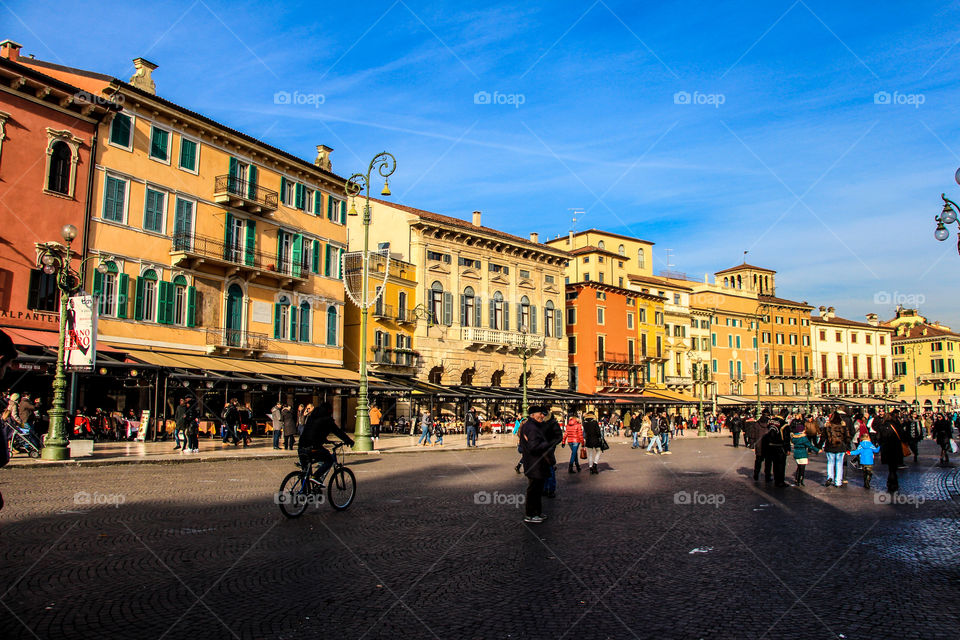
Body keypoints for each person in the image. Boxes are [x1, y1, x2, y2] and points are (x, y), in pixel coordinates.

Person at [298, 402, 354, 485]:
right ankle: (316, 476)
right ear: (329, 411)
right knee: (329, 460)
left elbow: (313, 431)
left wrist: (324, 439)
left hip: (301, 446)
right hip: (313, 447)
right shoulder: (327, 420)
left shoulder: (312, 417)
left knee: (306, 472)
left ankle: (304, 492)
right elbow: (338, 432)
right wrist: (349, 441)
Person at [518, 406, 551, 523]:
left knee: (537, 489)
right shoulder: (531, 427)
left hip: (535, 462)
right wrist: (547, 444)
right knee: (534, 489)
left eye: (543, 414)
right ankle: (530, 514)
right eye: (540, 414)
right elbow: (533, 447)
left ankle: (537, 512)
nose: (542, 416)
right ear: (532, 414)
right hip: (534, 463)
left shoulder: (531, 426)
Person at [821, 411, 852, 488]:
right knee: (839, 464)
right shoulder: (843, 427)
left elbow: (823, 437)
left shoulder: (827, 427)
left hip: (830, 447)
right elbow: (847, 438)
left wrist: (818, 446)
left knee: (830, 463)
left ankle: (830, 477)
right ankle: (838, 482)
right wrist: (848, 447)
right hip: (840, 447)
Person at [877, 413, 906, 493]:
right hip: (896, 449)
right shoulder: (896, 426)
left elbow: (878, 438)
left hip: (886, 449)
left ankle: (890, 483)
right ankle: (894, 484)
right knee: (894, 468)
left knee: (890, 468)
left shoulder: (882, 427)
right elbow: (903, 436)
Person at [790, 418, 819, 486]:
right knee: (802, 468)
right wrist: (817, 450)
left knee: (798, 467)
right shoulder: (803, 438)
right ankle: (801, 480)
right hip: (803, 453)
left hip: (796, 453)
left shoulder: (794, 437)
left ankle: (797, 479)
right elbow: (810, 446)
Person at [541, 413, 563, 497]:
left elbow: (559, 437)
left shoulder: (553, 423)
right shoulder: (541, 423)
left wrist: (550, 444)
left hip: (549, 449)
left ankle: (550, 489)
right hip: (542, 448)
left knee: (550, 468)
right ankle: (545, 488)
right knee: (544, 469)